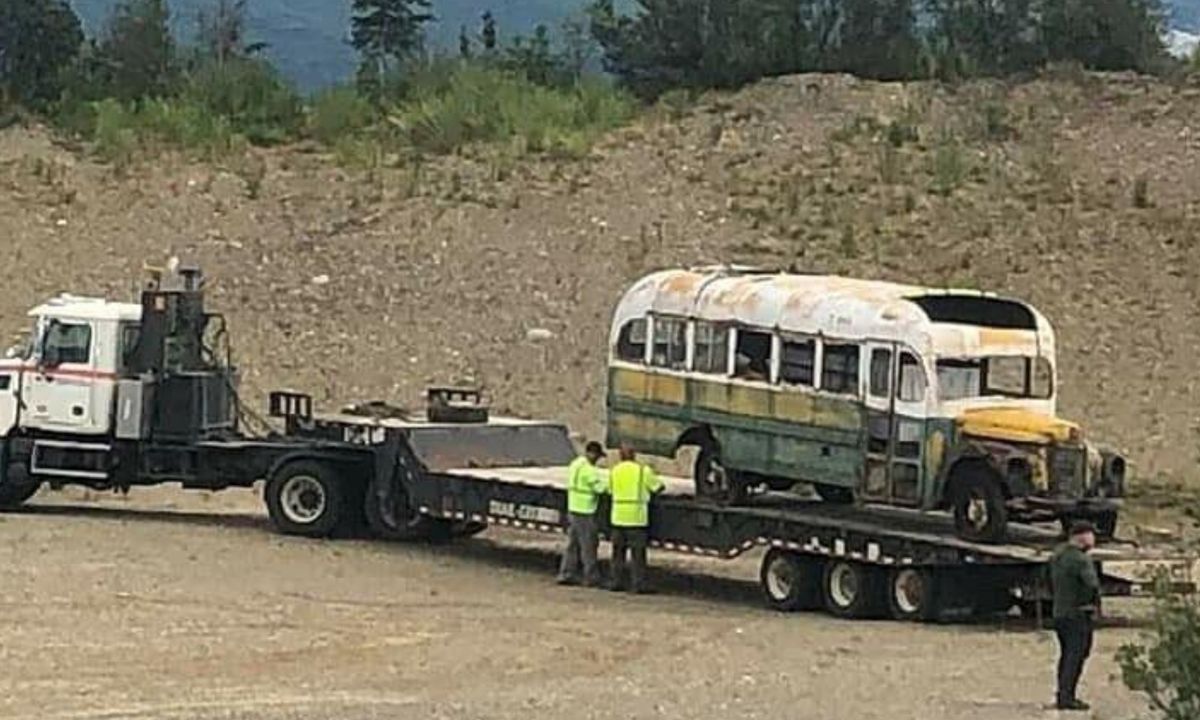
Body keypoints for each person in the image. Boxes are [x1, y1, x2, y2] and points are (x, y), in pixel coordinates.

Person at [1049, 520, 1101, 712]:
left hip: (1059, 612)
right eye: (1091, 535)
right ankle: (1067, 697)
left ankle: (1062, 693)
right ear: (1081, 536)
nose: (1094, 539)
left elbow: (1049, 582)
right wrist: (1093, 606)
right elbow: (1091, 585)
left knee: (1065, 655)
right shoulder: (1081, 559)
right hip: (1078, 613)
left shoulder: (1057, 555)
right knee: (1077, 655)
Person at [608, 444, 665, 594]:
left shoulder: (614, 470)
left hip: (618, 516)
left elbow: (609, 489)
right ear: (634, 455)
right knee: (637, 555)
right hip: (636, 517)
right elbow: (658, 487)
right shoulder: (642, 471)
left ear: (620, 456)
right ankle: (638, 584)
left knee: (617, 554)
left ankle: (616, 582)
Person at [556, 441, 607, 587]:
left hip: (573, 508)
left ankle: (566, 573)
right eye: (597, 456)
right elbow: (600, 488)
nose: (597, 459)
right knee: (588, 545)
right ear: (592, 453)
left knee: (573, 545)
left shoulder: (575, 464)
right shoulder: (589, 470)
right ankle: (591, 577)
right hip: (585, 511)